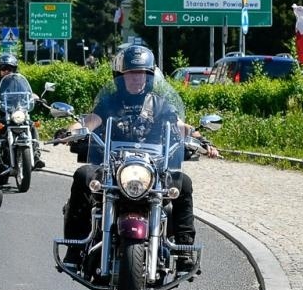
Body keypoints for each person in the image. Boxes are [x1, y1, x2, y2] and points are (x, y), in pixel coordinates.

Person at [61, 43, 219, 273]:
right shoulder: (109, 103)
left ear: (150, 76)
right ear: (121, 76)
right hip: (113, 166)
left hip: (151, 168)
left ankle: (184, 250)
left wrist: (201, 139)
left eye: (142, 73)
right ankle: (74, 249)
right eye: (132, 73)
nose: (137, 78)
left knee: (183, 183)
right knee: (83, 175)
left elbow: (180, 126)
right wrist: (71, 132)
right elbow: (90, 120)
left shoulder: (159, 104)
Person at [0, 53, 46, 171]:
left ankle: (35, 156)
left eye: (10, 68)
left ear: (14, 69)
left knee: (32, 125)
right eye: (3, 68)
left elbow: (28, 93)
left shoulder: (19, 83)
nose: (6, 71)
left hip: (16, 114)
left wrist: (37, 98)